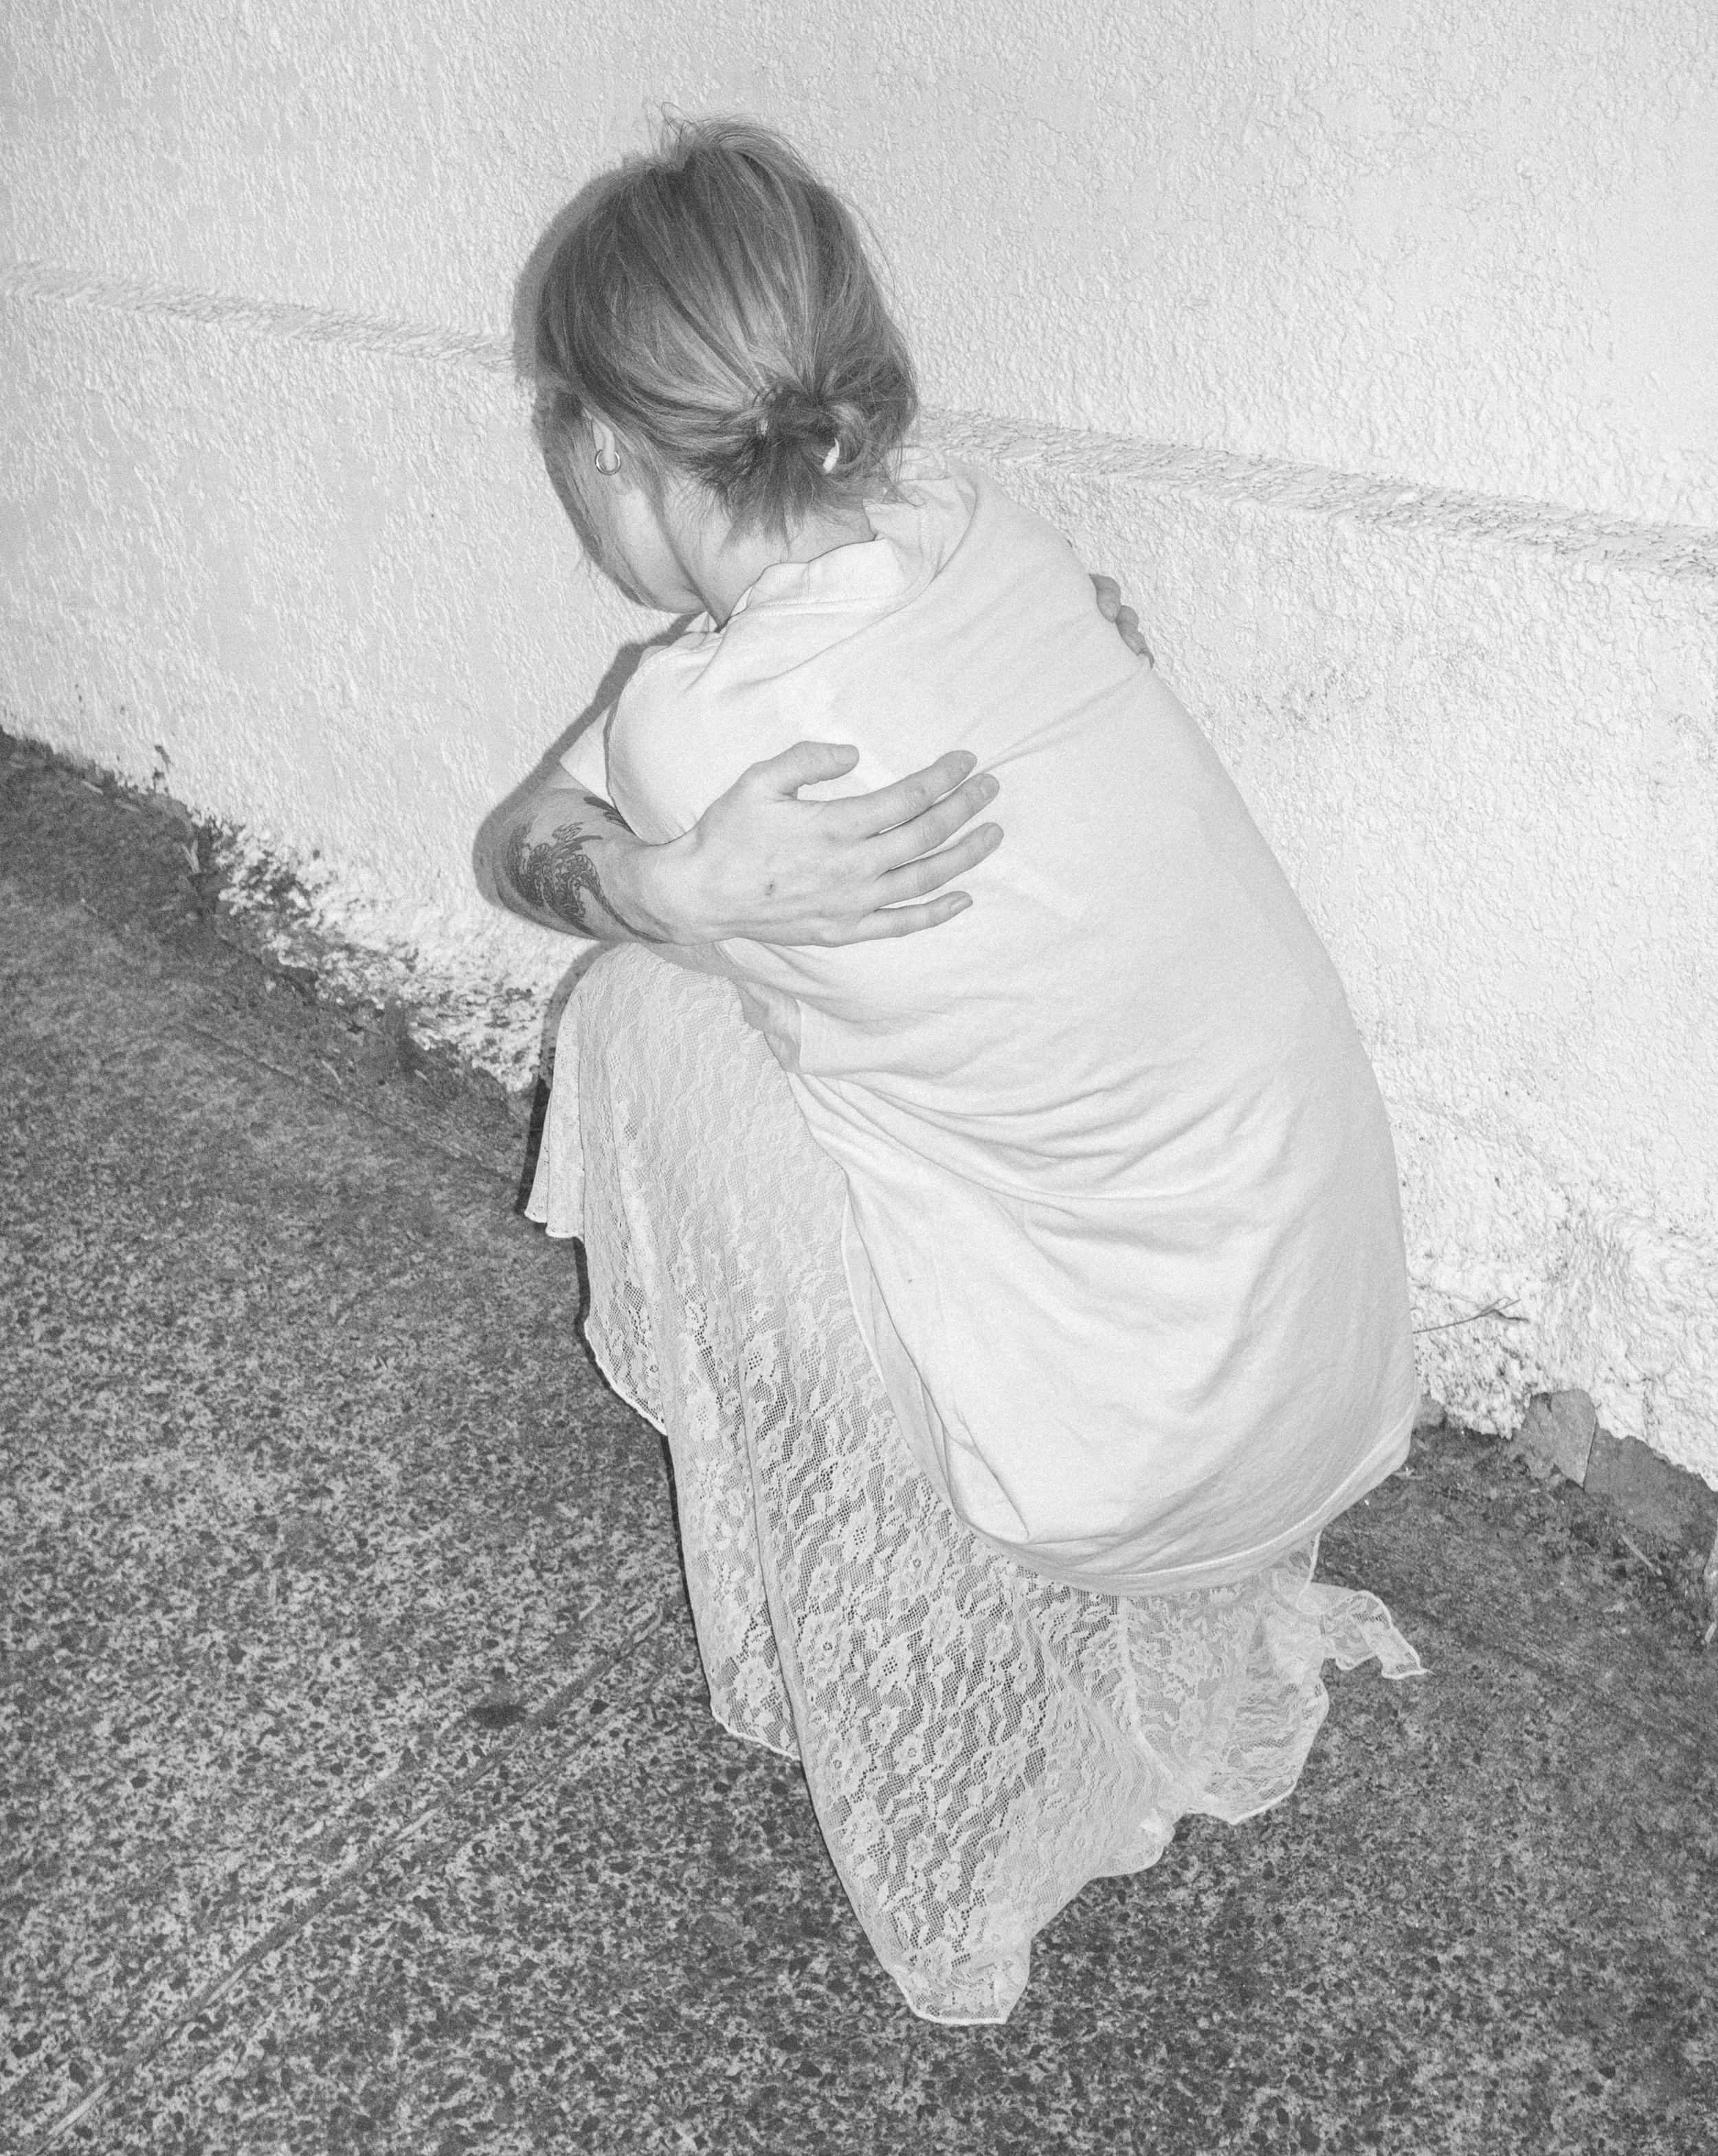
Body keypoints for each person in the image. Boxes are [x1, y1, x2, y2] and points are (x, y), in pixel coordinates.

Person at [494, 118, 1421, 2025]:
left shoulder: (700, 727)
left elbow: (524, 840)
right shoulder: (984, 533)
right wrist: (679, 877)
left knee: (646, 1015)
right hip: (1316, 1373)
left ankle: (860, 1592)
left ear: (602, 445)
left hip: (1130, 1470)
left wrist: (652, 887)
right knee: (757, 986)